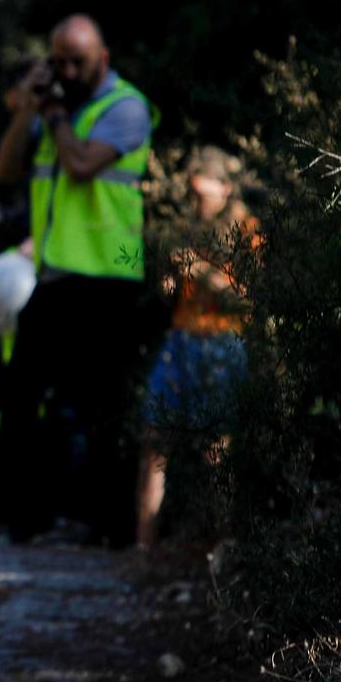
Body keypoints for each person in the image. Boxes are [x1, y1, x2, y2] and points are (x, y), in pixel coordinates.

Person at [0, 14, 155, 543]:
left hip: (111, 275)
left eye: (76, 61)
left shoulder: (125, 106)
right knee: (20, 396)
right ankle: (26, 519)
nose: (66, 69)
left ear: (101, 59)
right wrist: (28, 110)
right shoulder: (52, 110)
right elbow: (6, 170)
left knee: (104, 405)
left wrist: (56, 114)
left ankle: (110, 526)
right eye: (58, 60)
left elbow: (82, 165)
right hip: (57, 275)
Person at [136, 148, 257, 550]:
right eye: (192, 195)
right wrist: (170, 282)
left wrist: (200, 272)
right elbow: (172, 293)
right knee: (155, 439)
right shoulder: (190, 230)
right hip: (181, 340)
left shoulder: (246, 232)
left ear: (225, 188)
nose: (197, 203)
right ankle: (143, 547)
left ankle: (223, 549)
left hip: (222, 342)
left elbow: (248, 299)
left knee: (216, 450)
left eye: (202, 195)